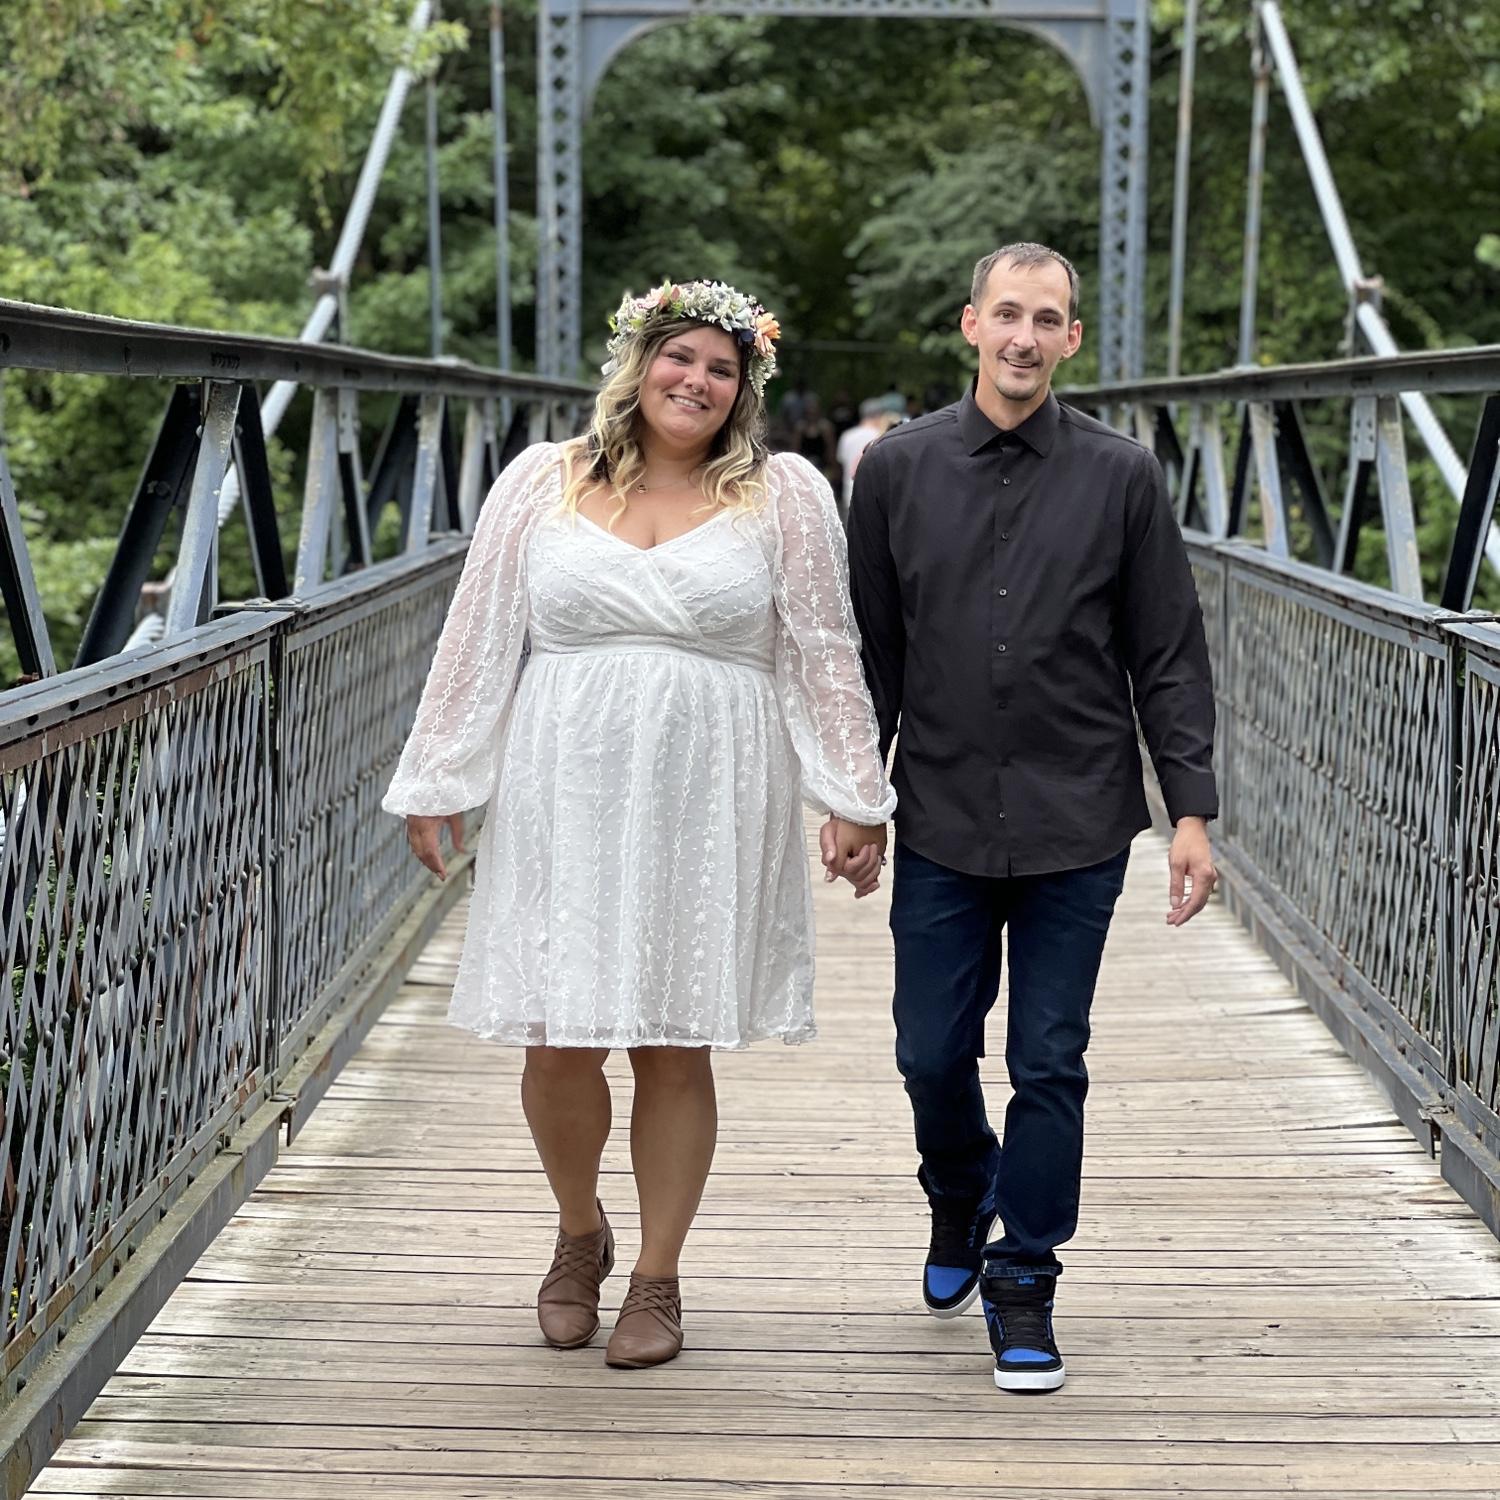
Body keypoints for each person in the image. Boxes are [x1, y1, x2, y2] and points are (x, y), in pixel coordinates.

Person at [384, 278, 894, 1371]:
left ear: (744, 389)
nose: (697, 381)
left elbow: (822, 648)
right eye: (681, 357)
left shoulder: (784, 494)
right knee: (557, 1037)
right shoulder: (542, 480)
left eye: (723, 368)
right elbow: (479, 632)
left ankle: (658, 1274)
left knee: (673, 1035)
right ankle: (581, 1232)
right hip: (563, 779)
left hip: (709, 785)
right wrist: (439, 775)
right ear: (638, 362)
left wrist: (854, 796)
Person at [843, 242, 1218, 1395]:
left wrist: (1192, 811)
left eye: (1046, 319)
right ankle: (961, 1191)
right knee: (927, 1051)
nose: (1024, 336)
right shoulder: (896, 471)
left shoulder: (1122, 476)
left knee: (1050, 1057)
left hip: (1078, 818)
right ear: (971, 324)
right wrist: (856, 795)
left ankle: (1025, 1276)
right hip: (941, 812)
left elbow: (1167, 651)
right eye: (1007, 313)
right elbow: (872, 653)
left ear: (1071, 339)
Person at [835, 398, 890, 522]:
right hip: (875, 500)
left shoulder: (846, 436)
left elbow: (841, 465)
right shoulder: (882, 436)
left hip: (849, 497)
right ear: (878, 416)